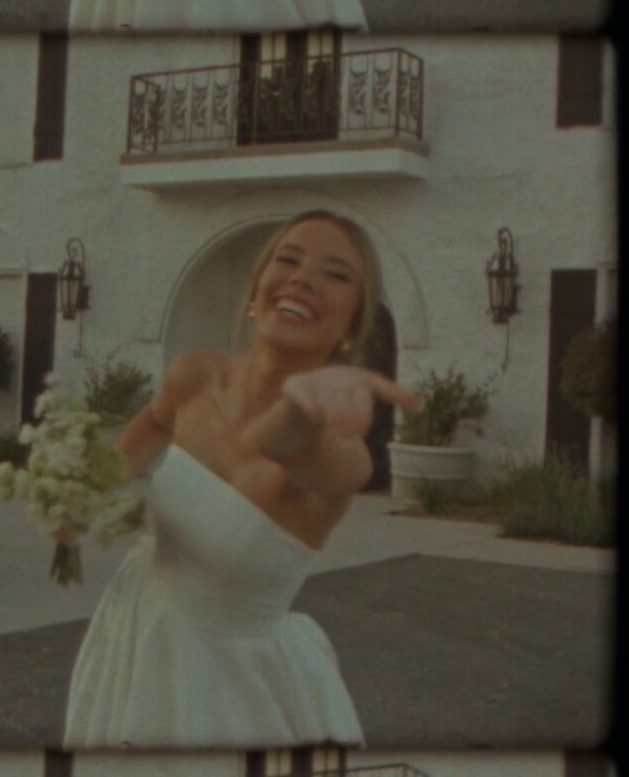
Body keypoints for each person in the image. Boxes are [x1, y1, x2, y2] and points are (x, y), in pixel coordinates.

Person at [63, 210, 421, 749]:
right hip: (133, 645)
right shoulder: (194, 376)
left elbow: (285, 443)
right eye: (289, 259)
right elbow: (156, 424)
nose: (303, 277)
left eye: (336, 274)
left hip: (231, 698)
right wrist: (83, 496)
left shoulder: (345, 458)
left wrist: (305, 400)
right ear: (257, 290)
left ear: (351, 326)